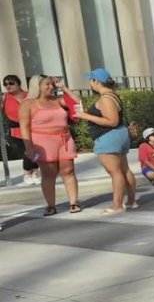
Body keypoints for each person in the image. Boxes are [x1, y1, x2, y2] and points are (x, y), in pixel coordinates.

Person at [74, 68, 137, 214]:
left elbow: (112, 121)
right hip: (118, 135)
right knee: (123, 170)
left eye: (91, 79)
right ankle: (131, 201)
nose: (90, 83)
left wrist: (85, 116)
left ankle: (117, 205)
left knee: (115, 172)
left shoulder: (106, 99)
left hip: (108, 136)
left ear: (96, 81)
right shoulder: (112, 95)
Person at [18, 75, 82, 215]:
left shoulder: (58, 100)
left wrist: (63, 87)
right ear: (37, 86)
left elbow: (77, 103)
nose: (51, 87)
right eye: (47, 84)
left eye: (52, 84)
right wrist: (29, 147)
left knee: (68, 171)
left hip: (64, 138)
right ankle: (51, 205)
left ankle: (74, 202)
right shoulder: (28, 104)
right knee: (49, 174)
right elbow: (24, 127)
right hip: (43, 141)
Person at [4, 74, 40, 185]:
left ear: (18, 84)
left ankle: (35, 171)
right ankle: (27, 173)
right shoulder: (5, 98)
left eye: (11, 83)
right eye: (5, 84)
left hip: (33, 128)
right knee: (26, 152)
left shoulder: (29, 95)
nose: (8, 86)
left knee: (37, 151)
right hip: (17, 130)